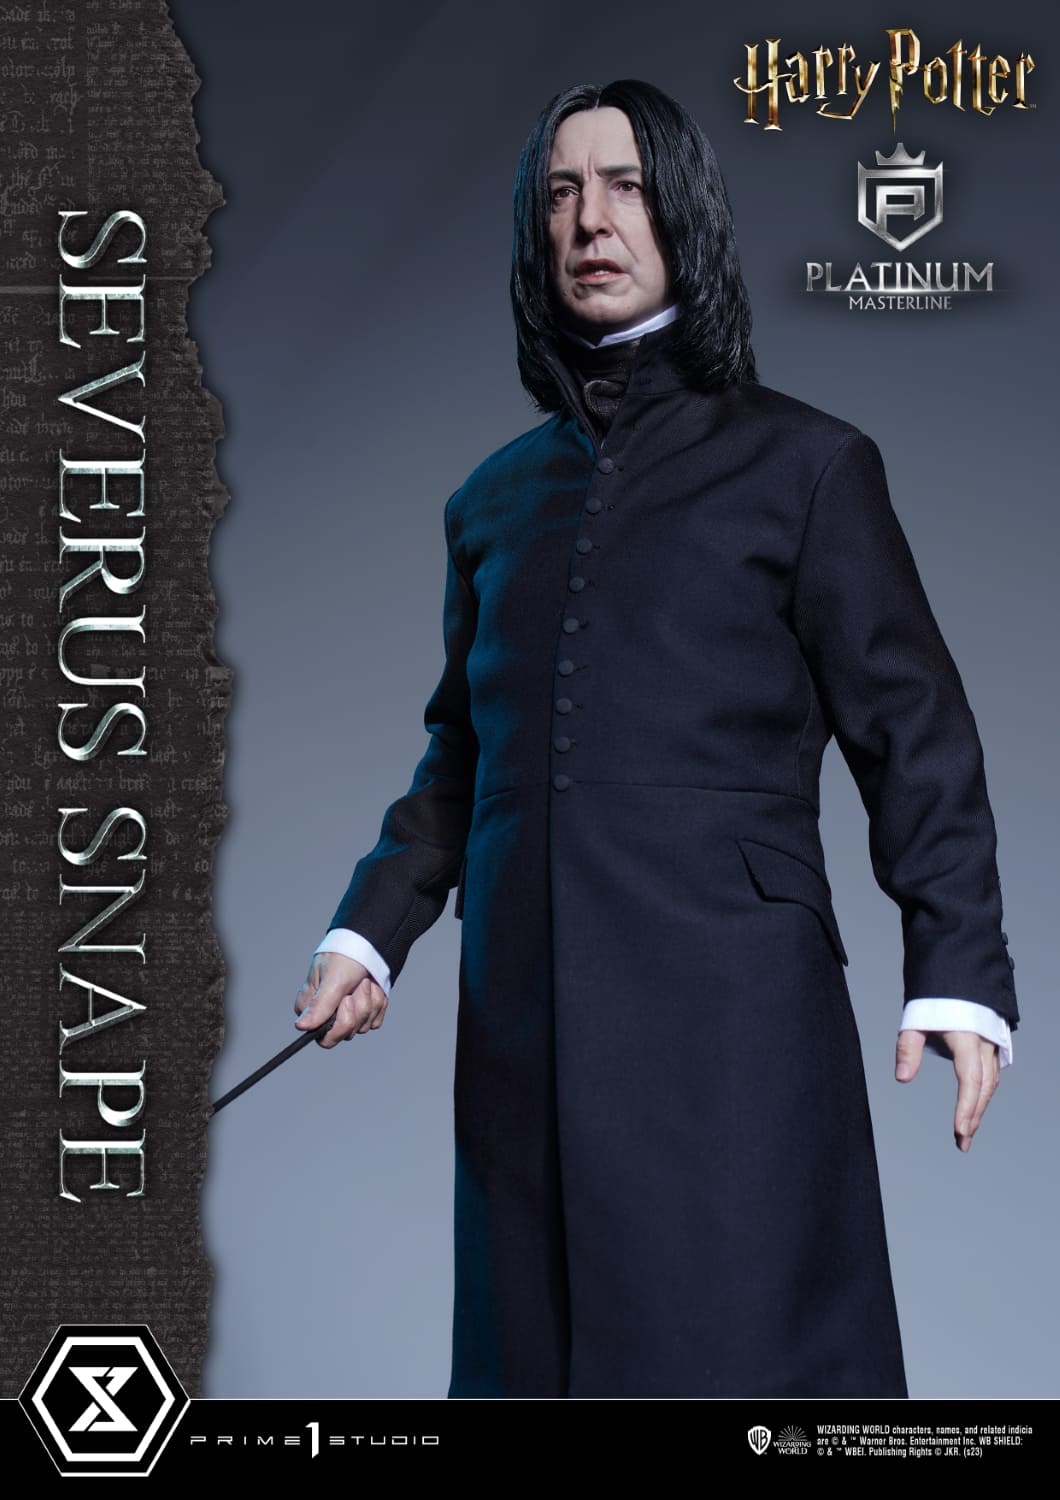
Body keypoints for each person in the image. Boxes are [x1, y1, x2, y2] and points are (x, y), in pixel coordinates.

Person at [293, 79, 1019, 1398]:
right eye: (562, 193)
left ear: (683, 209)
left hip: (731, 1016)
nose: (592, 220)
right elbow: (463, 754)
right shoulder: (489, 504)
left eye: (625, 184)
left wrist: (957, 969)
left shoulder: (809, 465)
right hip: (526, 1018)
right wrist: (371, 933)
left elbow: (916, 729)